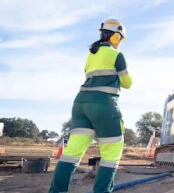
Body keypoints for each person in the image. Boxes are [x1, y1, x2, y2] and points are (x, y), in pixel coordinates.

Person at [49, 19, 133, 193]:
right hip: (103, 105)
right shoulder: (116, 55)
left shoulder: (91, 55)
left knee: (71, 153)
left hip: (80, 105)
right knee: (111, 154)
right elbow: (127, 83)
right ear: (116, 38)